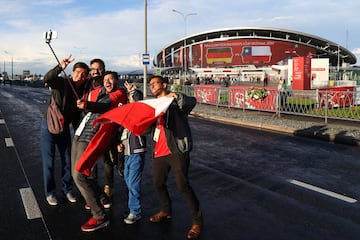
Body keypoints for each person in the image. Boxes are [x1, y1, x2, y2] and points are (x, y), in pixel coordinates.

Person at [148, 75, 203, 240]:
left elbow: (190, 102)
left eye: (154, 83)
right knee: (158, 184)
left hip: (176, 150)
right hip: (159, 151)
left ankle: (197, 222)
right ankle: (166, 211)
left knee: (182, 186)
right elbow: (147, 130)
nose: (151, 86)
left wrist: (177, 96)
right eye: (149, 84)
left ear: (164, 84)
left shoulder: (174, 101)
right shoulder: (154, 105)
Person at [72, 70, 127, 232]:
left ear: (117, 81)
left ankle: (99, 215)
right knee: (78, 173)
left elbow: (105, 106)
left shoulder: (119, 94)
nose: (108, 81)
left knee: (79, 175)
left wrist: (87, 105)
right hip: (80, 133)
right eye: (105, 79)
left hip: (93, 138)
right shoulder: (98, 91)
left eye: (111, 79)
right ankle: (103, 198)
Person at [41, 55, 90, 206]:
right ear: (72, 72)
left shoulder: (82, 93)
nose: (79, 76)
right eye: (77, 73)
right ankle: (50, 192)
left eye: (83, 74)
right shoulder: (61, 82)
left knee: (68, 160)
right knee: (49, 162)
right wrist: (60, 66)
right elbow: (47, 78)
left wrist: (79, 135)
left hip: (64, 129)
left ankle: (67, 189)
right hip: (48, 125)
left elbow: (77, 117)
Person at [120, 81, 147, 224]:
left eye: (131, 98)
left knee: (133, 182)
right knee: (128, 180)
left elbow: (138, 101)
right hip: (127, 152)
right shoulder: (127, 114)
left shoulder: (139, 112)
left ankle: (135, 211)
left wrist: (132, 91)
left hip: (137, 151)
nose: (129, 100)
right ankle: (133, 208)